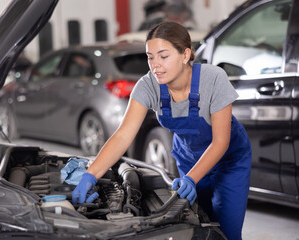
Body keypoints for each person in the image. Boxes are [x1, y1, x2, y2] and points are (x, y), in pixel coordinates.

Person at [72, 21, 252, 240]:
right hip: (188, 159)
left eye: (163, 56)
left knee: (228, 231)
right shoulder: (148, 86)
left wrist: (191, 180)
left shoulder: (213, 79)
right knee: (199, 225)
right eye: (150, 57)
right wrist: (91, 173)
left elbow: (220, 142)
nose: (155, 65)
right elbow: (123, 135)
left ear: (185, 55)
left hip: (229, 161)